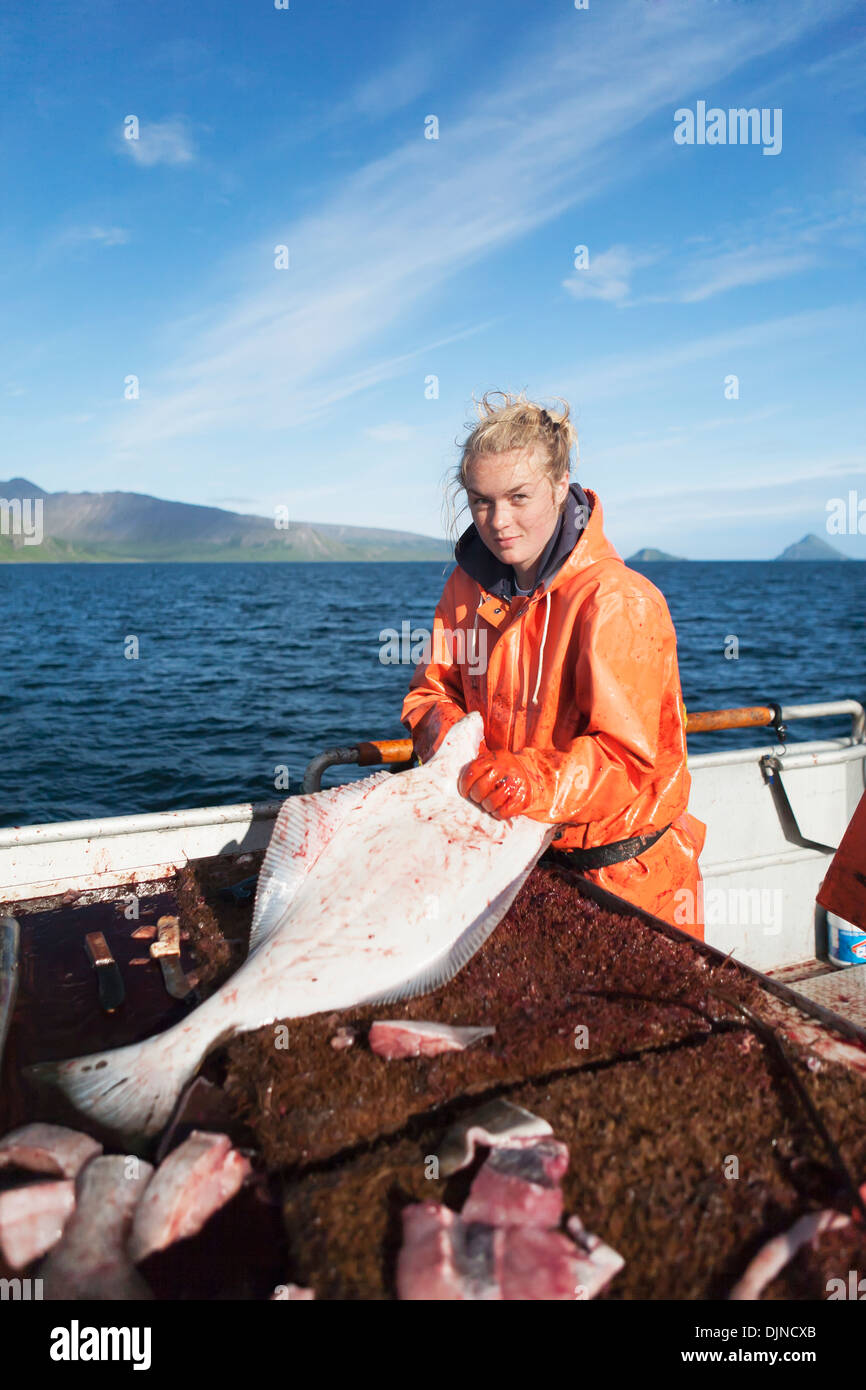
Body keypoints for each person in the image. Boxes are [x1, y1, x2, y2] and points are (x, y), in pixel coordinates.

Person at [401, 391, 707, 937]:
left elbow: (627, 760)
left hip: (625, 880)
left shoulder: (618, 601)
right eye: (481, 501)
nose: (498, 521)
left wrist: (525, 779)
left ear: (561, 484)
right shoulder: (465, 588)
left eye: (519, 497)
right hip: (509, 861)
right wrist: (452, 741)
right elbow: (431, 692)